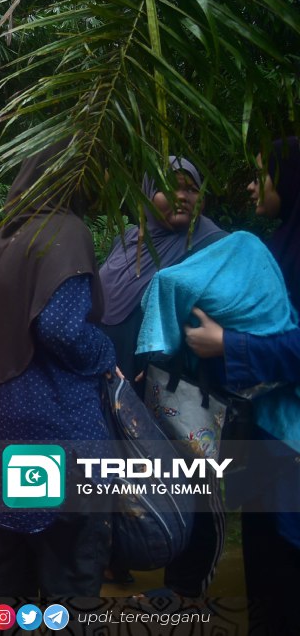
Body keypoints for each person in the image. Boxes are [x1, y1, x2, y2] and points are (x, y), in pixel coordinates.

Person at [0, 140, 115, 597]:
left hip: (3, 421)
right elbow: (63, 329)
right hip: (52, 423)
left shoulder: (8, 235)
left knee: (9, 555)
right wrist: (106, 355)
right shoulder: (65, 232)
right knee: (69, 562)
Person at [184, 138, 300, 636]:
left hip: (290, 442)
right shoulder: (276, 246)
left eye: (262, 175)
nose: (252, 186)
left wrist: (230, 345)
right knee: (260, 562)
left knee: (288, 566)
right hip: (260, 435)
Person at [96, 156, 227, 594]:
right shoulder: (130, 239)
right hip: (120, 387)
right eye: (169, 188)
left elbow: (219, 319)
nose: (182, 197)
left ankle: (186, 588)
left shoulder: (212, 245)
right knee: (120, 473)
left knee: (193, 480)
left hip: (183, 394)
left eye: (190, 188)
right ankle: (117, 558)